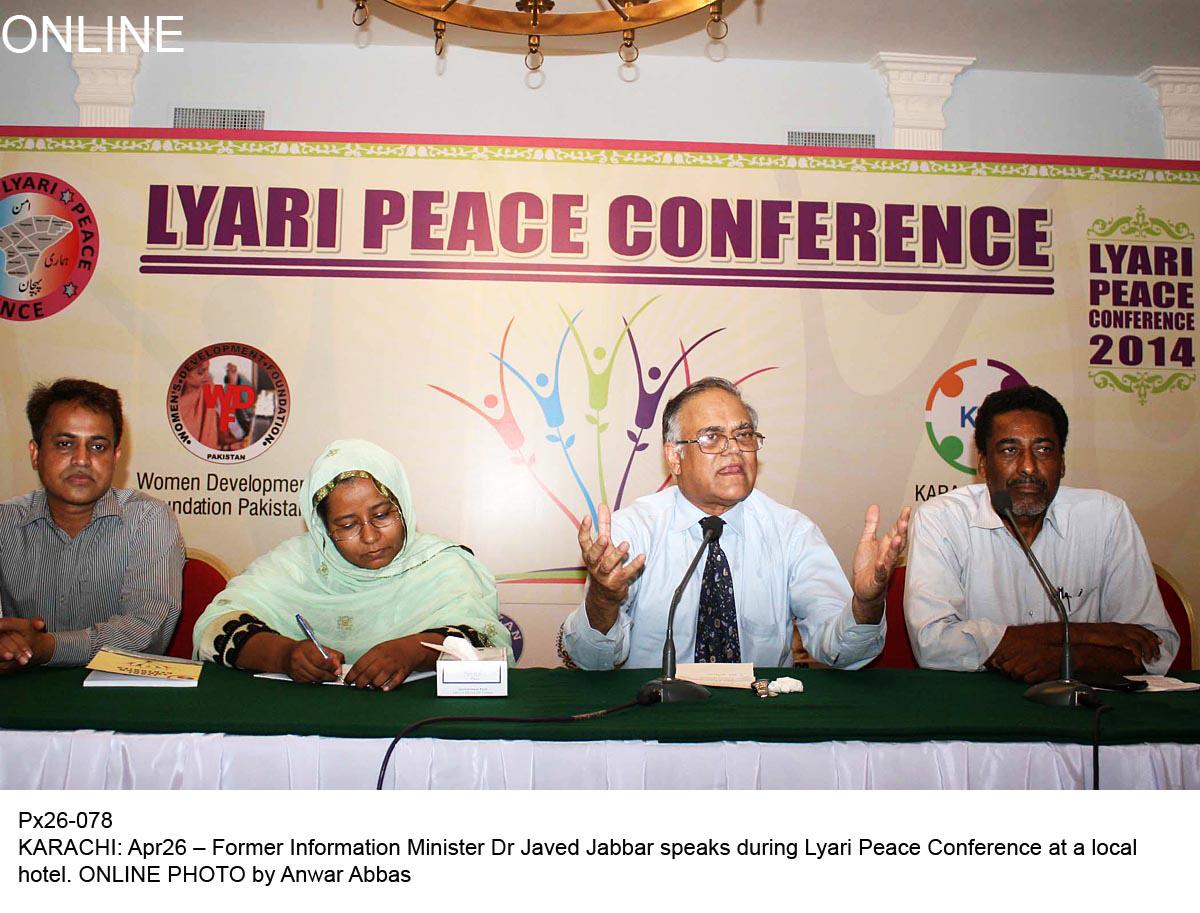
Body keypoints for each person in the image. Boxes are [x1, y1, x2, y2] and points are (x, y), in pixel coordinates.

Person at [561, 377, 909, 669]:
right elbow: (592, 661)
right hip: (655, 728)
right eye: (711, 437)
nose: (734, 450)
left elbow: (843, 654)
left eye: (744, 435)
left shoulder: (791, 532)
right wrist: (604, 599)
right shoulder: (632, 532)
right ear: (674, 456)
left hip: (760, 726)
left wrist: (867, 604)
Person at [904, 384, 1178, 681]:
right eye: (1010, 450)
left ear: (1062, 463)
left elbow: (1155, 646)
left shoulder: (1106, 517)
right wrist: (1091, 634)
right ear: (983, 463)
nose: (1028, 467)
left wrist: (1069, 661)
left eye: (1043, 450)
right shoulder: (943, 519)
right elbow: (934, 644)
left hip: (1084, 711)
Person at [193, 439, 510, 689]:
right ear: (322, 529)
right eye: (347, 525)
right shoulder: (295, 564)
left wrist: (415, 651)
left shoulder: (443, 565)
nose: (371, 537)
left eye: (382, 515)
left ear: (403, 507)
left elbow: (486, 642)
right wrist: (284, 655)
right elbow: (216, 627)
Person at [0, 378, 184, 671]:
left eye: (97, 446)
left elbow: (148, 633)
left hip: (116, 704)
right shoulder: (5, 524)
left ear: (115, 456)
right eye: (64, 444)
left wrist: (48, 647)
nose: (82, 460)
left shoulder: (147, 519)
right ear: (35, 454)